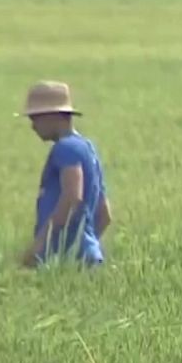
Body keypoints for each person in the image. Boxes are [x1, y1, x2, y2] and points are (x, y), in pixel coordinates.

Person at [16, 80, 111, 269]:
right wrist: (89, 246)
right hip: (87, 258)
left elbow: (71, 198)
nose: (33, 126)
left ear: (53, 116)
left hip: (63, 261)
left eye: (36, 118)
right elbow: (105, 214)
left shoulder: (65, 149)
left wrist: (40, 246)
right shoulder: (88, 149)